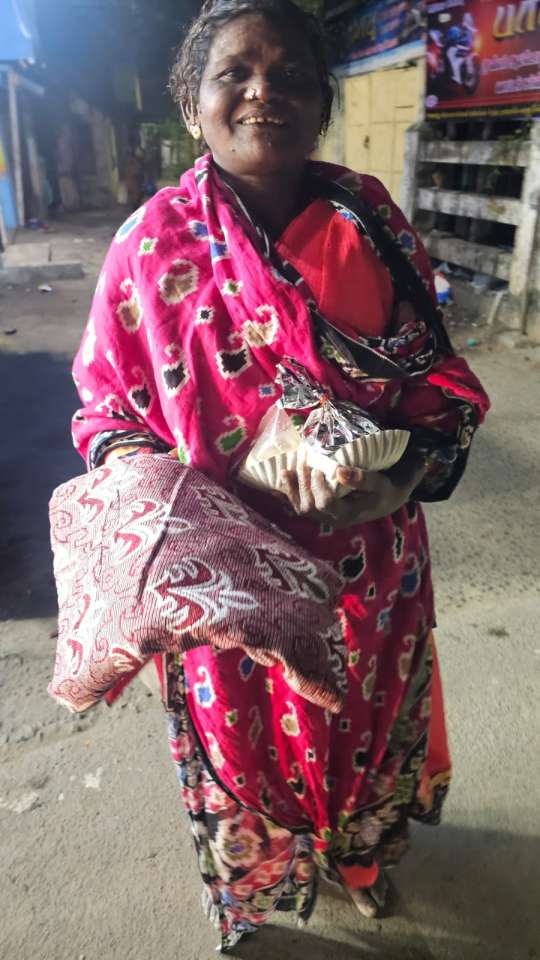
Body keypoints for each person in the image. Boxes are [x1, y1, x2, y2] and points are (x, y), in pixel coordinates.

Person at [70, 0, 489, 949]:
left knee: (367, 725)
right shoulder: (150, 245)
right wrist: (171, 492)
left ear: (322, 104)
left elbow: (438, 380)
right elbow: (106, 412)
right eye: (236, 73)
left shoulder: (370, 223)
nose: (265, 92)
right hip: (231, 586)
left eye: (292, 75)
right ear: (193, 105)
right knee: (241, 737)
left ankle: (361, 858)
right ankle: (255, 888)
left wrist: (401, 475)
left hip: (371, 561)